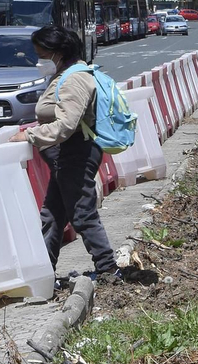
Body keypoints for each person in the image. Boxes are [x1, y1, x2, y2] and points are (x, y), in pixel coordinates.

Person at [7, 26, 119, 281]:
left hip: (74, 151)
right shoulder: (65, 75)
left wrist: (31, 135)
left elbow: (67, 124)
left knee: (81, 212)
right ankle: (46, 272)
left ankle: (108, 269)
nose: (38, 61)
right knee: (53, 214)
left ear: (58, 53)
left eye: (42, 55)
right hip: (66, 154)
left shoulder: (75, 79)